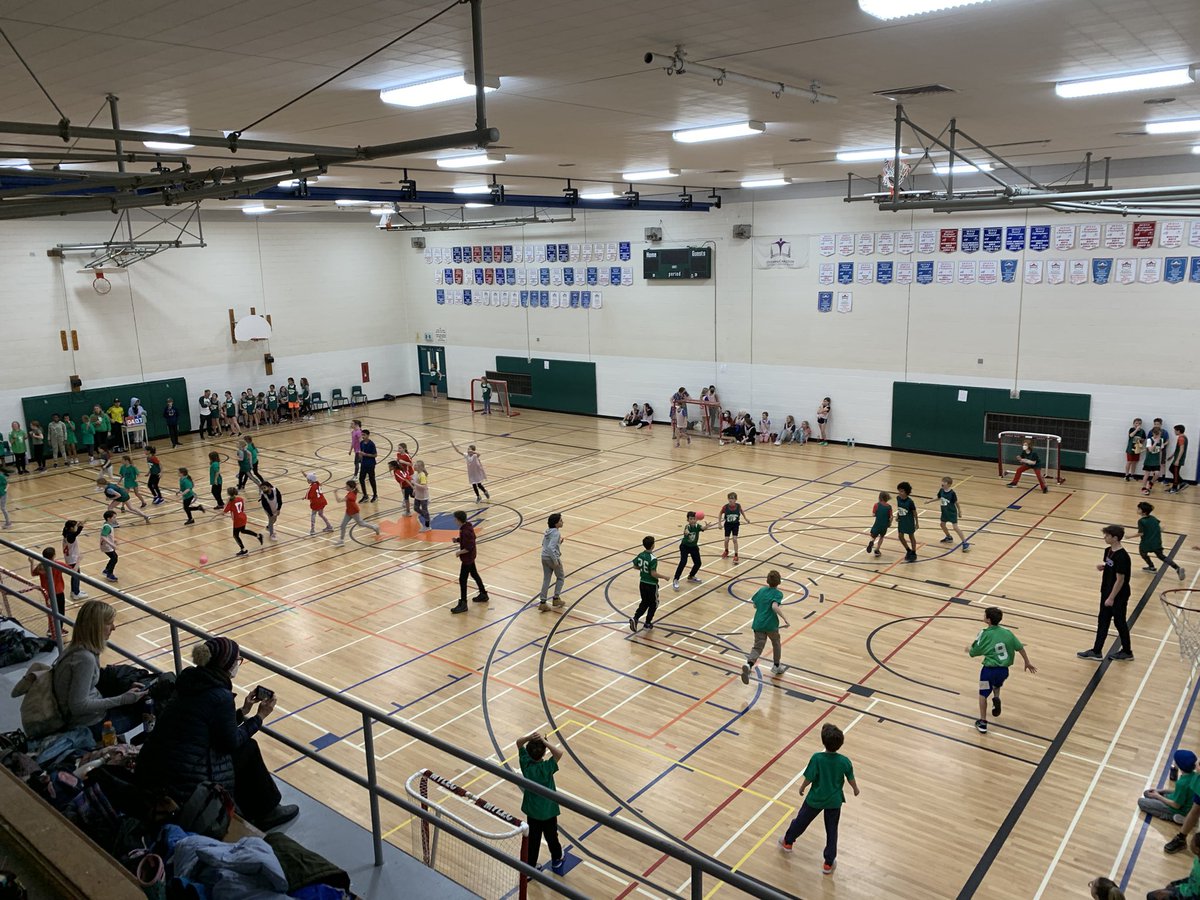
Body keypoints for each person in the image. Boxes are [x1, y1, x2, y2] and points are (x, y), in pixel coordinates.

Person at [135, 636, 299, 832]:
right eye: (237, 660)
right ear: (226, 664)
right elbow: (230, 742)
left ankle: (252, 805)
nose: (238, 664)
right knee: (248, 748)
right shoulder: (219, 695)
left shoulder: (190, 680)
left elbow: (207, 726)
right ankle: (267, 811)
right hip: (187, 781)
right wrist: (259, 717)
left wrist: (243, 711)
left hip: (162, 767)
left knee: (242, 750)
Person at [46, 600, 148, 738]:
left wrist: (124, 690)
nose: (113, 627)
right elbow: (78, 706)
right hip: (90, 723)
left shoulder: (76, 648)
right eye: (109, 623)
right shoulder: (85, 659)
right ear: (96, 627)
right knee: (151, 708)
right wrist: (122, 699)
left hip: (88, 715)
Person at [778, 723, 859, 875]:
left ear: (823, 741)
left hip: (815, 799)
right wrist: (855, 789)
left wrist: (802, 787)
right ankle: (828, 863)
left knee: (801, 821)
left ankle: (788, 842)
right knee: (832, 831)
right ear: (840, 743)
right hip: (834, 802)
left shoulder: (817, 758)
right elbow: (850, 777)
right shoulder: (844, 761)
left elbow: (809, 777)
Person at [967, 606, 1037, 734]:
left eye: (985, 615)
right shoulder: (1007, 632)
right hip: (1003, 671)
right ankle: (996, 698)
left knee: (983, 694)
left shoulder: (984, 633)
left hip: (988, 671)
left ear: (988, 620)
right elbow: (1020, 647)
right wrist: (1027, 662)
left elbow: (975, 651)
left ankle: (983, 722)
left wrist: (970, 650)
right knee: (996, 684)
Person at [1078, 524, 1134, 661]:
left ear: (1115, 538)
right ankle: (1097, 651)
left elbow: (1121, 580)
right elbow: (1112, 567)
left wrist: (1111, 598)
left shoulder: (1122, 557)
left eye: (1107, 535)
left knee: (1120, 623)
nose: (1105, 537)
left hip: (1117, 595)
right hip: (1107, 591)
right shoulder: (1108, 550)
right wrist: (1104, 567)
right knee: (1102, 621)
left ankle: (1127, 652)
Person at [516, 731, 565, 875]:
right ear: (544, 753)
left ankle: (530, 868)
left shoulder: (525, 764)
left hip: (532, 811)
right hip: (548, 811)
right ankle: (557, 858)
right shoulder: (546, 768)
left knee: (534, 839)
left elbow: (519, 743)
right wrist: (545, 742)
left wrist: (529, 737)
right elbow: (559, 753)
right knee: (551, 837)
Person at [741, 570, 790, 682]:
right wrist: (785, 618)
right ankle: (776, 665)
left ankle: (749, 665)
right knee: (776, 643)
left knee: (757, 647)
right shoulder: (778, 594)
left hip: (758, 623)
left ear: (767, 580)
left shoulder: (762, 590)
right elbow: (774, 606)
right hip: (771, 625)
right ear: (779, 582)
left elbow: (754, 604)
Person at [1140, 750, 1200, 822]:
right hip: (1180, 801)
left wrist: (1158, 796)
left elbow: (1176, 805)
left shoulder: (1182, 783)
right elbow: (1181, 792)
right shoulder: (1194, 775)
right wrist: (1162, 791)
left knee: (1141, 802)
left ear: (1179, 765)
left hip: (1177, 809)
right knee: (1147, 793)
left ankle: (1176, 817)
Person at [450, 510, 488, 614]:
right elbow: (470, 539)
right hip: (470, 557)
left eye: (455, 519)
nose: (454, 521)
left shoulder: (465, 531)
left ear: (458, 520)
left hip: (467, 558)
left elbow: (469, 547)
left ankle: (463, 603)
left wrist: (459, 552)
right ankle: (483, 594)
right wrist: (458, 540)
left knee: (462, 579)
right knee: (474, 574)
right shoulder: (467, 526)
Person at [1138, 502, 1185, 580]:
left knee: (1143, 553)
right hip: (1157, 542)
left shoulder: (1141, 521)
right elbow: (1159, 528)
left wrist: (1129, 536)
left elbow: (1141, 533)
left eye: (1139, 509)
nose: (1137, 510)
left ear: (1144, 512)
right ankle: (1177, 568)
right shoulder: (1153, 518)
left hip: (1147, 543)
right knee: (1161, 556)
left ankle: (1151, 567)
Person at [629, 535, 666, 632]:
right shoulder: (653, 558)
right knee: (654, 604)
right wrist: (664, 577)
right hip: (651, 584)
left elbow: (635, 566)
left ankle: (635, 618)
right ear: (653, 545)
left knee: (645, 602)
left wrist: (642, 569)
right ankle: (647, 623)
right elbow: (653, 573)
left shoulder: (641, 555)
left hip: (642, 583)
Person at [1148, 833, 1200, 900]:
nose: (1190, 842)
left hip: (1189, 896)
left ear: (1197, 850)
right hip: (1186, 889)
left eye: (1192, 842)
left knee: (1152, 897)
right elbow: (1192, 878)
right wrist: (1174, 883)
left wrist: (1169, 894)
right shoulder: (1197, 859)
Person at [30, 547, 66, 636]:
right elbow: (73, 570)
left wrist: (32, 563)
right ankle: (58, 630)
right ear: (54, 555)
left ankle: (51, 629)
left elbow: (32, 573)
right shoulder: (57, 564)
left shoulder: (41, 565)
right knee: (60, 612)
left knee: (51, 611)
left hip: (47, 593)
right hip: (58, 592)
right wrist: (78, 561)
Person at [928, 476, 968, 552]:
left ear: (949, 484)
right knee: (942, 524)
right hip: (944, 512)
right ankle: (949, 537)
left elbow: (956, 503)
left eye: (944, 482)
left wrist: (960, 511)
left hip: (952, 512)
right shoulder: (941, 490)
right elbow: (938, 497)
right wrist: (930, 501)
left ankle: (965, 542)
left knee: (955, 527)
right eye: (942, 481)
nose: (942, 483)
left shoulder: (952, 493)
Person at [334, 479, 380, 547]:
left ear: (350, 487)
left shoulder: (350, 496)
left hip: (354, 512)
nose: (345, 487)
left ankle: (375, 527)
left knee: (361, 523)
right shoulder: (352, 492)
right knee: (343, 525)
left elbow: (339, 500)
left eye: (346, 486)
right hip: (348, 511)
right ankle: (341, 541)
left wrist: (335, 493)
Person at [223, 487, 264, 556]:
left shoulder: (230, 501)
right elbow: (242, 508)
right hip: (243, 517)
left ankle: (243, 550)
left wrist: (226, 502)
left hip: (237, 519)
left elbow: (224, 511)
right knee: (243, 530)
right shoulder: (241, 499)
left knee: (235, 535)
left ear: (229, 494)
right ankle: (258, 536)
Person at [672, 511, 706, 590]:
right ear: (688, 520)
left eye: (694, 519)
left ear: (696, 519)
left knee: (698, 563)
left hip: (693, 547)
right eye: (691, 519)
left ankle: (691, 576)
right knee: (683, 562)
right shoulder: (687, 527)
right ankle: (676, 579)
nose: (692, 520)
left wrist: (706, 527)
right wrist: (686, 533)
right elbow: (686, 531)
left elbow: (702, 528)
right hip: (685, 547)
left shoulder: (697, 526)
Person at [539, 513, 565, 611]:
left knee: (546, 579)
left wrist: (558, 543)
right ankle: (556, 598)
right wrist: (555, 560)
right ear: (556, 523)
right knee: (560, 577)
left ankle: (543, 602)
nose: (562, 522)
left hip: (544, 557)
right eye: (561, 521)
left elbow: (544, 544)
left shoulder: (548, 531)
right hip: (551, 558)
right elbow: (550, 547)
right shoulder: (556, 533)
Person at [720, 492, 750, 562]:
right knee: (726, 540)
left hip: (735, 525)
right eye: (729, 498)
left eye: (732, 498)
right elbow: (720, 513)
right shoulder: (725, 507)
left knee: (734, 539)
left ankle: (736, 555)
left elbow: (741, 511)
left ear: (735, 499)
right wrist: (719, 523)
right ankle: (726, 551)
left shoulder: (738, 506)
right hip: (727, 525)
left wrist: (745, 518)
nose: (731, 500)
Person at [62, 520, 87, 599]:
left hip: (69, 558)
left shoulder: (67, 533)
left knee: (75, 576)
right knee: (76, 576)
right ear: (72, 528)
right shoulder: (70, 537)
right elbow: (76, 533)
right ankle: (76, 593)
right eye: (75, 526)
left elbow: (75, 533)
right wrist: (81, 527)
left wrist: (79, 525)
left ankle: (75, 591)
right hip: (72, 559)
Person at [895, 482, 918, 562]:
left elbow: (915, 513)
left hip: (909, 522)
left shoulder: (910, 502)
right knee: (900, 536)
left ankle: (914, 552)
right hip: (901, 522)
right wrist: (898, 516)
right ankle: (908, 550)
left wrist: (917, 523)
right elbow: (899, 508)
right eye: (899, 491)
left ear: (906, 492)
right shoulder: (898, 498)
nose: (899, 493)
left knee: (911, 536)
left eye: (901, 491)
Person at [1143, 423, 1167, 496]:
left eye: (1159, 434)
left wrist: (1159, 461)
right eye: (1156, 434)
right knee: (1147, 474)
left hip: (1156, 460)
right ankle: (1144, 488)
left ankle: (1150, 483)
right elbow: (1150, 450)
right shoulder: (1149, 440)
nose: (1158, 436)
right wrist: (1155, 442)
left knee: (1157, 474)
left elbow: (1160, 450)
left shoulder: (1162, 440)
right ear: (1153, 433)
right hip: (1149, 459)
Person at [866, 491, 892, 558]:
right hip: (884, 525)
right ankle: (877, 550)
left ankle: (871, 542)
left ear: (880, 497)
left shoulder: (876, 505)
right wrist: (890, 523)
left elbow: (873, 514)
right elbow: (891, 517)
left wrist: (877, 514)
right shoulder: (889, 507)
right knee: (881, 537)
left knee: (873, 536)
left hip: (877, 524)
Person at [393, 442, 415, 515]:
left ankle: (418, 498)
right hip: (402, 473)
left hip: (409, 474)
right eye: (398, 448)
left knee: (411, 488)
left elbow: (411, 464)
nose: (398, 449)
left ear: (404, 449)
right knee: (402, 488)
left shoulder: (407, 456)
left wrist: (404, 462)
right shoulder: (398, 454)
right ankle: (405, 499)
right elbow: (398, 460)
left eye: (400, 448)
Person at [358, 429, 379, 502]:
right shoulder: (361, 443)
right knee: (361, 479)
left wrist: (366, 454)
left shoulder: (371, 444)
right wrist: (360, 455)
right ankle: (365, 495)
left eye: (364, 435)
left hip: (370, 464)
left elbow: (375, 455)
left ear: (368, 435)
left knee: (371, 479)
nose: (362, 436)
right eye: (362, 435)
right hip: (363, 464)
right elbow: (361, 453)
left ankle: (375, 495)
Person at [1169, 424, 1189, 494]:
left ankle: (1174, 487)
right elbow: (1178, 449)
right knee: (1172, 469)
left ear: (1179, 431)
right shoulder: (1182, 437)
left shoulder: (1181, 438)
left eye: (1175, 430)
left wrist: (1177, 460)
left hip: (1178, 459)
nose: (1174, 432)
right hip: (1176, 457)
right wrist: (1172, 455)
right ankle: (1182, 483)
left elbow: (1182, 450)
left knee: (1175, 473)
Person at [99, 511, 119, 581]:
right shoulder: (107, 526)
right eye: (114, 517)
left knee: (114, 557)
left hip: (106, 545)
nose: (115, 519)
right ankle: (109, 574)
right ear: (108, 518)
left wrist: (113, 540)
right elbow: (103, 536)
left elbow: (107, 535)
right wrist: (111, 544)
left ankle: (107, 570)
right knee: (114, 558)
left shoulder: (107, 524)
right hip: (106, 546)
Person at [413, 460, 432, 532]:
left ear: (420, 467)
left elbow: (423, 486)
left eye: (416, 465)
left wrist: (414, 483)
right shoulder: (416, 474)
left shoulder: (422, 475)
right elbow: (416, 484)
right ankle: (426, 517)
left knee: (425, 510)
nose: (414, 466)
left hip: (423, 497)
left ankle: (427, 526)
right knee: (416, 508)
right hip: (418, 495)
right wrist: (414, 489)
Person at [1126, 417, 1146, 481]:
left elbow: (1144, 439)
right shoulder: (1131, 429)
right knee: (1129, 462)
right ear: (1133, 424)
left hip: (1137, 449)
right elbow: (1131, 435)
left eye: (1139, 423)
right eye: (1136, 423)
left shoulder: (1142, 431)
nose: (1138, 424)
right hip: (1130, 448)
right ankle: (1126, 475)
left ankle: (1132, 474)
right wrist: (1136, 430)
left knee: (1134, 462)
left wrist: (1141, 440)